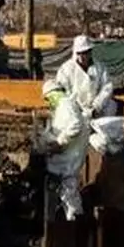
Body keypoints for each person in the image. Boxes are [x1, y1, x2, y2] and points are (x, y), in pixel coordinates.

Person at [39, 79, 90, 221]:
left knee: (68, 187)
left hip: (70, 155)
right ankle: (71, 218)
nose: (48, 102)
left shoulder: (66, 104)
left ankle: (74, 220)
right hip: (68, 154)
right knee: (65, 187)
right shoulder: (63, 107)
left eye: (48, 98)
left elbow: (75, 126)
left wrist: (60, 143)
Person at [55, 34, 116, 118]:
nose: (82, 56)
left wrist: (97, 106)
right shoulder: (65, 69)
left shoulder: (100, 67)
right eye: (79, 53)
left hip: (97, 108)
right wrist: (79, 108)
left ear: (90, 52)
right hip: (76, 110)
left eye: (85, 53)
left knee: (111, 106)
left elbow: (107, 87)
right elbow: (64, 92)